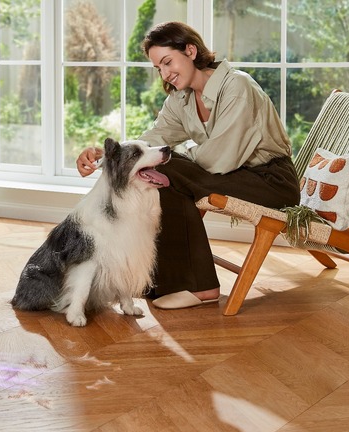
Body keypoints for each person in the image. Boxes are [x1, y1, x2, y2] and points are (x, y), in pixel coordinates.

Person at [76, 21, 300, 310]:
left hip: (270, 181)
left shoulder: (238, 87)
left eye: (168, 62)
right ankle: (171, 281)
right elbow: (151, 141)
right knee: (158, 174)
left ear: (191, 50)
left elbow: (219, 159)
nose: (165, 73)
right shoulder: (180, 99)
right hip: (232, 175)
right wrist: (106, 156)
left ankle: (200, 287)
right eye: (158, 67)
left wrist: (169, 159)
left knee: (164, 169)